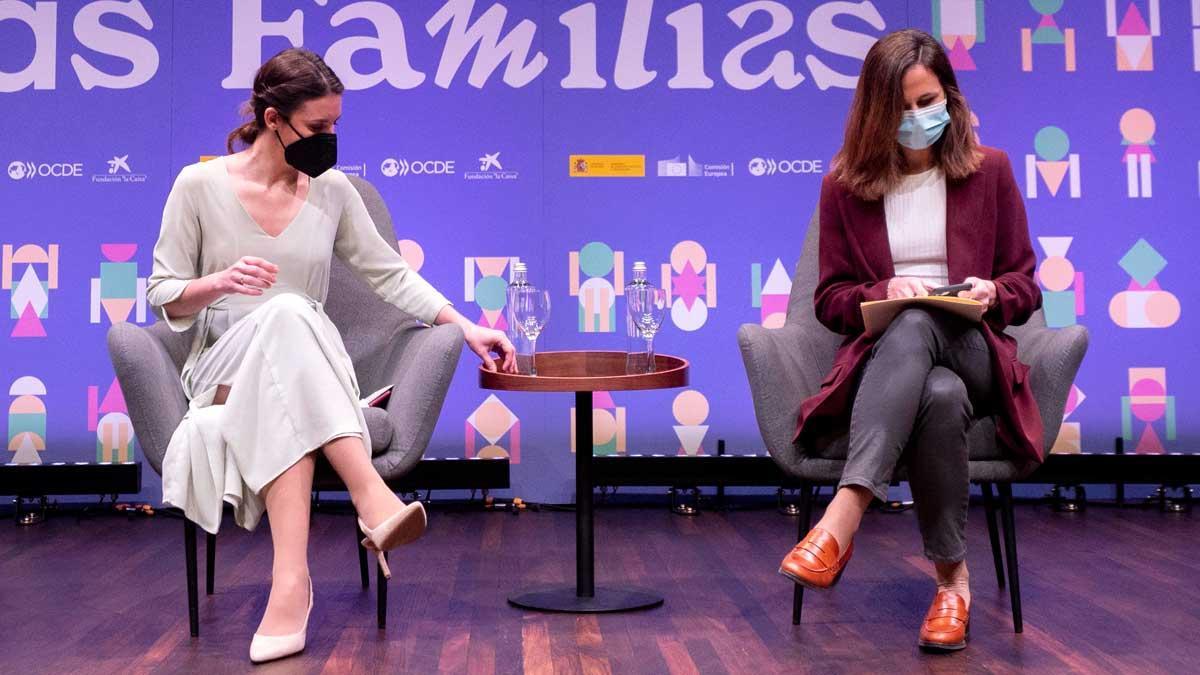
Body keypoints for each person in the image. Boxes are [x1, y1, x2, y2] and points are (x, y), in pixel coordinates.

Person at [146, 48, 516, 663]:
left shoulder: (333, 191)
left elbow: (391, 276)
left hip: (307, 369)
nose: (330, 138)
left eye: (336, 126)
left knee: (293, 324)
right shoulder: (199, 185)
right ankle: (373, 498)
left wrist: (466, 325)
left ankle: (292, 585)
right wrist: (220, 282)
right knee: (288, 310)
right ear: (272, 119)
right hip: (222, 369)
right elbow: (163, 296)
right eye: (319, 127)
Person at [780, 29, 1044, 652]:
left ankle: (842, 518)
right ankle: (953, 584)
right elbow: (829, 300)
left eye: (929, 102)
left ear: (949, 99)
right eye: (902, 108)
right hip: (900, 368)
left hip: (979, 354)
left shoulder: (991, 171)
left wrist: (990, 293)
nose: (919, 118)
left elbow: (1026, 287)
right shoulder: (845, 186)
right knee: (939, 392)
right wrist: (878, 292)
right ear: (876, 113)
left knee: (927, 323)